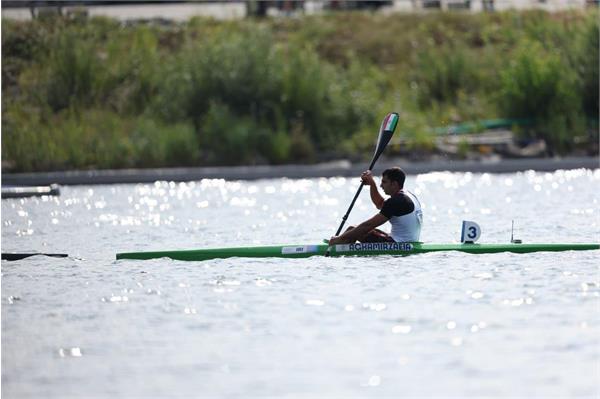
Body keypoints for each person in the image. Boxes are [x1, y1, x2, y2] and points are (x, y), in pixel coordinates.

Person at [329, 167, 422, 245]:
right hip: (408, 241)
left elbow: (368, 225)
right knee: (353, 230)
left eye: (384, 182)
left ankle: (337, 245)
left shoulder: (396, 201)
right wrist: (372, 184)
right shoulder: (408, 196)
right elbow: (380, 204)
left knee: (353, 230)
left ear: (394, 184)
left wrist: (340, 238)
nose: (381, 185)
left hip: (398, 244)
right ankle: (340, 243)